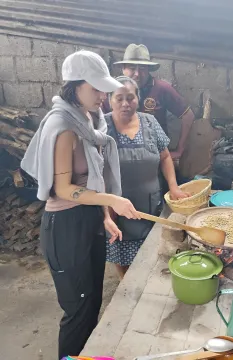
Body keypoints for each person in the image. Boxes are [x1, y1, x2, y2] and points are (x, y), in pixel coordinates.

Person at [20, 51, 140, 359]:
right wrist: (112, 200)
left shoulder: (90, 117)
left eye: (104, 88)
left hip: (88, 218)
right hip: (65, 227)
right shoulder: (64, 127)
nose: (103, 95)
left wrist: (104, 217)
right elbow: (63, 189)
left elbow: (93, 176)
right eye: (96, 88)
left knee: (92, 302)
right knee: (77, 310)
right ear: (75, 86)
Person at [105, 76, 189, 279]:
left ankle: (148, 281)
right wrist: (106, 210)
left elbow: (165, 156)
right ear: (109, 100)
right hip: (117, 206)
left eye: (130, 97)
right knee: (122, 253)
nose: (125, 103)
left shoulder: (150, 122)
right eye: (119, 98)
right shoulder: (102, 127)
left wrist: (174, 187)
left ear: (138, 99)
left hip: (151, 203)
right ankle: (126, 285)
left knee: (153, 249)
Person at [102, 44, 195, 161]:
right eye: (132, 68)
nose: (137, 74)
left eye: (142, 68)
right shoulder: (111, 91)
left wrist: (179, 150)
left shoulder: (161, 89)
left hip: (155, 157)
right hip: (120, 157)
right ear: (123, 68)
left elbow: (188, 115)